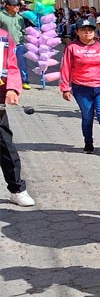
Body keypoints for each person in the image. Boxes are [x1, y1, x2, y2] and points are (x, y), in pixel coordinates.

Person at [60, 17, 100, 155]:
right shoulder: (71, 48)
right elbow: (65, 68)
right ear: (77, 32)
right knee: (88, 116)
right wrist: (65, 88)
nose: (87, 33)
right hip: (81, 87)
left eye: (90, 30)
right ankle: (88, 142)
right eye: (83, 30)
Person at [0, 26, 34, 206]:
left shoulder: (3, 37)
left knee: (5, 145)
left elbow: (12, 65)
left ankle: (17, 189)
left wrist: (12, 88)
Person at [0, 0, 29, 89]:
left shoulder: (20, 18)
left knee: (22, 63)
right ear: (7, 6)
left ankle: (24, 81)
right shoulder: (1, 16)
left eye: (18, 5)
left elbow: (23, 30)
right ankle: (5, 81)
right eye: (14, 5)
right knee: (5, 64)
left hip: (19, 44)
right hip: (5, 45)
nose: (17, 7)